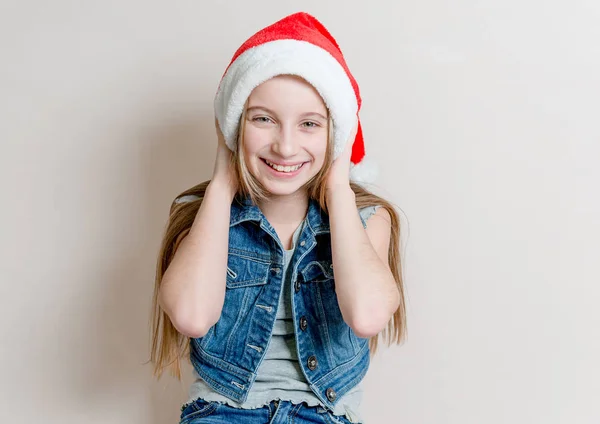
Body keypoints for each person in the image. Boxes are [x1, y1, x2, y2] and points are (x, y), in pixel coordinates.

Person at [150, 12, 406, 424]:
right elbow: (191, 317)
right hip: (222, 413)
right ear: (233, 127)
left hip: (323, 416)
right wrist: (221, 181)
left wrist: (339, 188)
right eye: (263, 119)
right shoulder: (203, 219)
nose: (285, 147)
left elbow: (367, 315)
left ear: (335, 135)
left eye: (309, 124)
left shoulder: (368, 219)